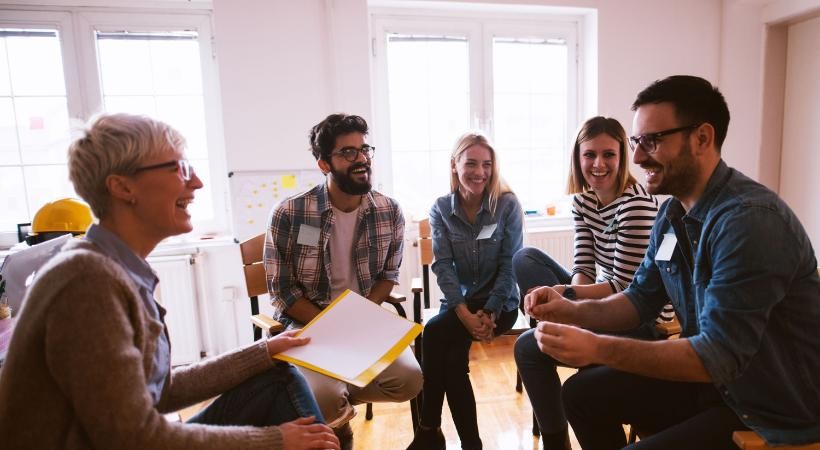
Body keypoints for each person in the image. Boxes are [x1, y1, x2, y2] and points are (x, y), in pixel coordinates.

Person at [0, 113, 339, 450]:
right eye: (178, 168)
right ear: (122, 186)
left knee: (277, 376)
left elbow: (160, 391)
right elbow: (133, 437)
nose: (196, 183)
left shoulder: (113, 268)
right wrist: (275, 440)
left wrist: (262, 352)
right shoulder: (87, 281)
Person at [527, 75, 820, 449]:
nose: (636, 157)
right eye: (636, 142)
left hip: (764, 408)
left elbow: (716, 355)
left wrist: (597, 347)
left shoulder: (750, 221)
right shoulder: (671, 215)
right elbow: (638, 300)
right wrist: (570, 309)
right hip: (712, 385)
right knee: (580, 395)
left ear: (702, 138)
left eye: (652, 141)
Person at [264, 113, 423, 449]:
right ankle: (337, 423)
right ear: (324, 164)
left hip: (361, 322)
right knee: (322, 397)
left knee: (410, 381)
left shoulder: (388, 210)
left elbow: (387, 276)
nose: (362, 159)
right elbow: (283, 291)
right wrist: (333, 328)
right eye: (348, 152)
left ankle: (335, 404)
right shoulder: (291, 214)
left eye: (365, 149)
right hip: (308, 327)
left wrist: (358, 321)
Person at [512, 116, 663, 449]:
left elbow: (624, 288)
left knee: (527, 347)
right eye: (589, 154)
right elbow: (583, 267)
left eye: (608, 154)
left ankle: (554, 440)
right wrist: (571, 306)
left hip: (636, 316)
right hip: (601, 296)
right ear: (577, 159)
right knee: (525, 259)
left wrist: (566, 297)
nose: (598, 164)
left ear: (623, 157)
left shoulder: (636, 206)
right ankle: (559, 331)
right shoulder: (583, 201)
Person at [406, 132, 523, 450]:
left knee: (433, 335)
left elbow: (510, 264)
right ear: (454, 165)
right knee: (452, 360)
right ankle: (468, 443)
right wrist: (463, 313)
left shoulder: (506, 205)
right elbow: (442, 266)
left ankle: (428, 431)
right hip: (460, 304)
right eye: (471, 163)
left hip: (501, 304)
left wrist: (490, 310)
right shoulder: (441, 209)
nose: (480, 172)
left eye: (487, 164)